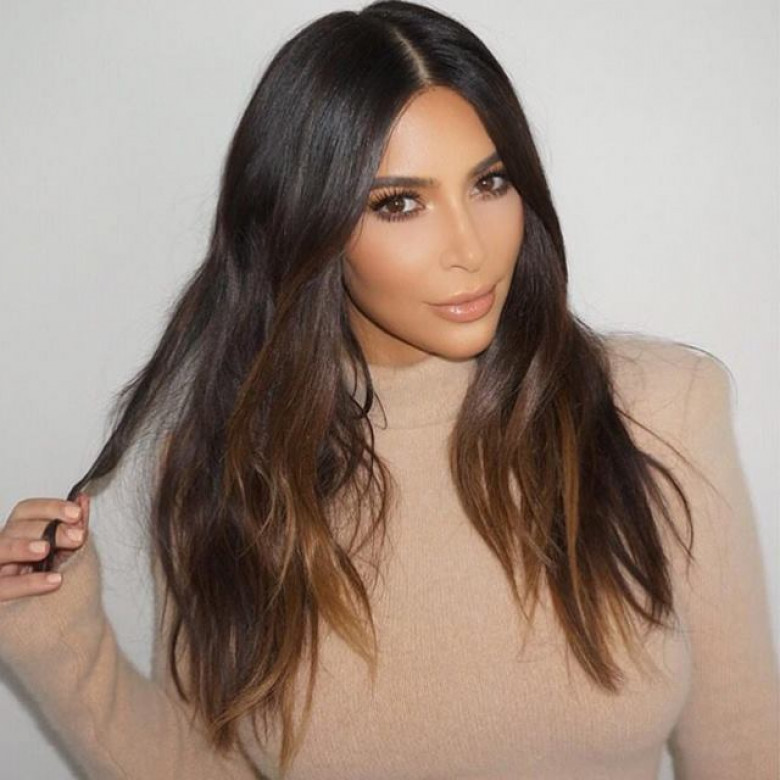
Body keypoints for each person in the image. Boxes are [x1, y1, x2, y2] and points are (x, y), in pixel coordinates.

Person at [1, 1, 777, 778]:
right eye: (399, 203)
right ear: (308, 222)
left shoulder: (661, 410)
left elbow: (744, 746)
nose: (469, 249)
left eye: (490, 182)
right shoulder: (227, 465)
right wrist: (55, 638)